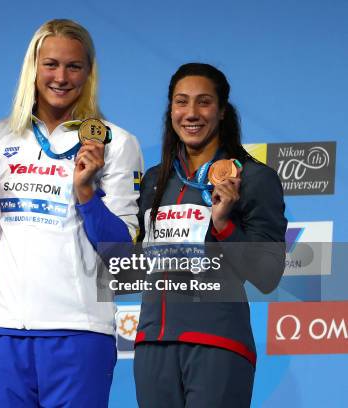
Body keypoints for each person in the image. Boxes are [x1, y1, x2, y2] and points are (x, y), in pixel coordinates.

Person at [0, 18, 143, 407]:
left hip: (80, 330)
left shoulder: (116, 143)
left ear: (89, 73)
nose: (61, 77)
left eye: (73, 66)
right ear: (33, 68)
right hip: (4, 329)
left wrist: (86, 195)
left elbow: (123, 254)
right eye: (50, 64)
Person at [133, 63, 287, 407]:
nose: (191, 113)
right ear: (170, 109)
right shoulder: (154, 180)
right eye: (180, 102)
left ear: (221, 112)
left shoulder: (253, 178)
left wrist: (224, 225)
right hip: (152, 345)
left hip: (218, 344)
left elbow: (267, 274)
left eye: (203, 102)